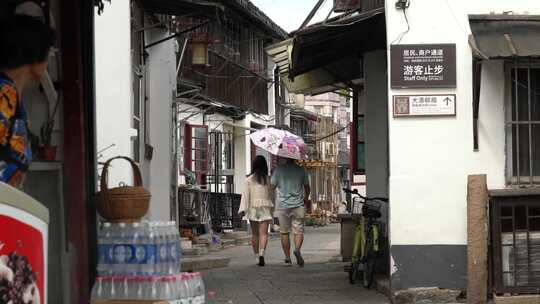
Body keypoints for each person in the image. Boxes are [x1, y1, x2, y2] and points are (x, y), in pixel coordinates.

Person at [0, 14, 55, 187]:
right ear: (34, 54)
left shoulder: (12, 95)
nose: (48, 61)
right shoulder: (4, 94)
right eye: (49, 53)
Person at [271, 157, 310, 266]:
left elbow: (272, 186)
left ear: (285, 158)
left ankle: (287, 259)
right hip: (298, 204)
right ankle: (297, 250)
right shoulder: (302, 170)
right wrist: (305, 199)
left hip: (283, 205)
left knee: (284, 232)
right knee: (298, 230)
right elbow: (307, 187)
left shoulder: (279, 170)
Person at [238, 155, 274, 266]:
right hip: (265, 207)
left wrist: (242, 210)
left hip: (253, 208)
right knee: (264, 234)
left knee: (255, 234)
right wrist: (272, 208)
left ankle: (256, 256)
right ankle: (262, 253)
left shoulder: (249, 179)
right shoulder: (268, 180)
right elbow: (272, 195)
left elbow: (245, 195)